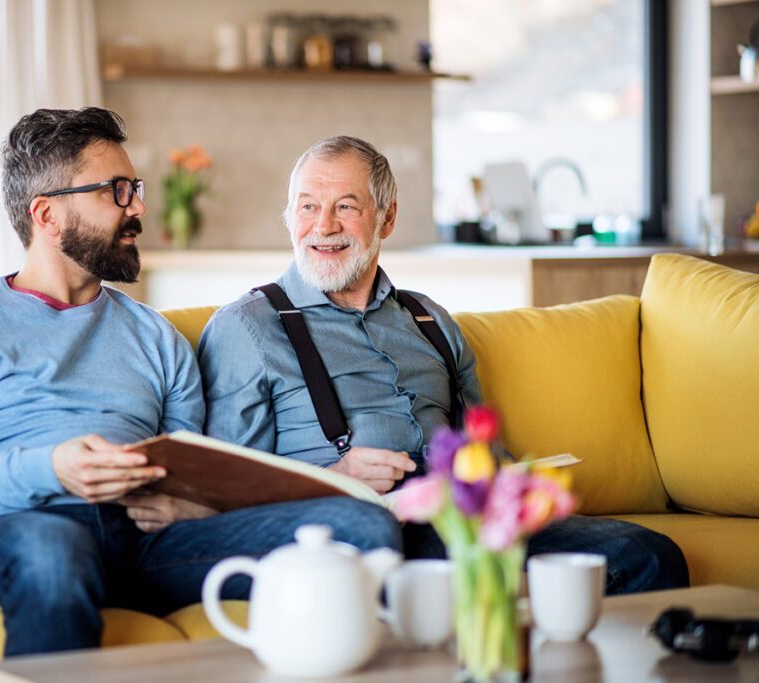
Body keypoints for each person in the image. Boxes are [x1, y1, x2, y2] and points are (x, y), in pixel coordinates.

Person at [0, 110, 402, 657]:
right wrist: (53, 468)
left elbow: (187, 471)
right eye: (118, 192)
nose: (139, 208)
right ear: (48, 214)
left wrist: (188, 502)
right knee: (53, 546)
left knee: (356, 525)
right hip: (12, 534)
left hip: (143, 546)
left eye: (136, 189)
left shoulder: (157, 337)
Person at [197, 135, 689, 594]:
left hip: (465, 518)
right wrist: (335, 476)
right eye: (308, 207)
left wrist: (511, 480)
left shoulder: (428, 319)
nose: (323, 226)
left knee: (646, 554)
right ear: (289, 217)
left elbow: (481, 444)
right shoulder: (248, 326)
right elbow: (225, 495)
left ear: (386, 219)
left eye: (345, 207)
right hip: (357, 533)